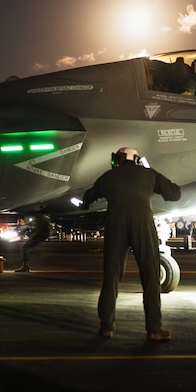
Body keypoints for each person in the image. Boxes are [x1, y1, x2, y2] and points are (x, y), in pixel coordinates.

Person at [81, 146, 181, 342]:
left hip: (115, 225)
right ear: (136, 159)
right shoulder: (148, 174)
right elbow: (174, 193)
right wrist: (148, 173)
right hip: (142, 225)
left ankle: (106, 326)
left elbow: (87, 199)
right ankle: (154, 329)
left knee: (111, 275)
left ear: (117, 159)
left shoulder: (108, 177)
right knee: (150, 275)